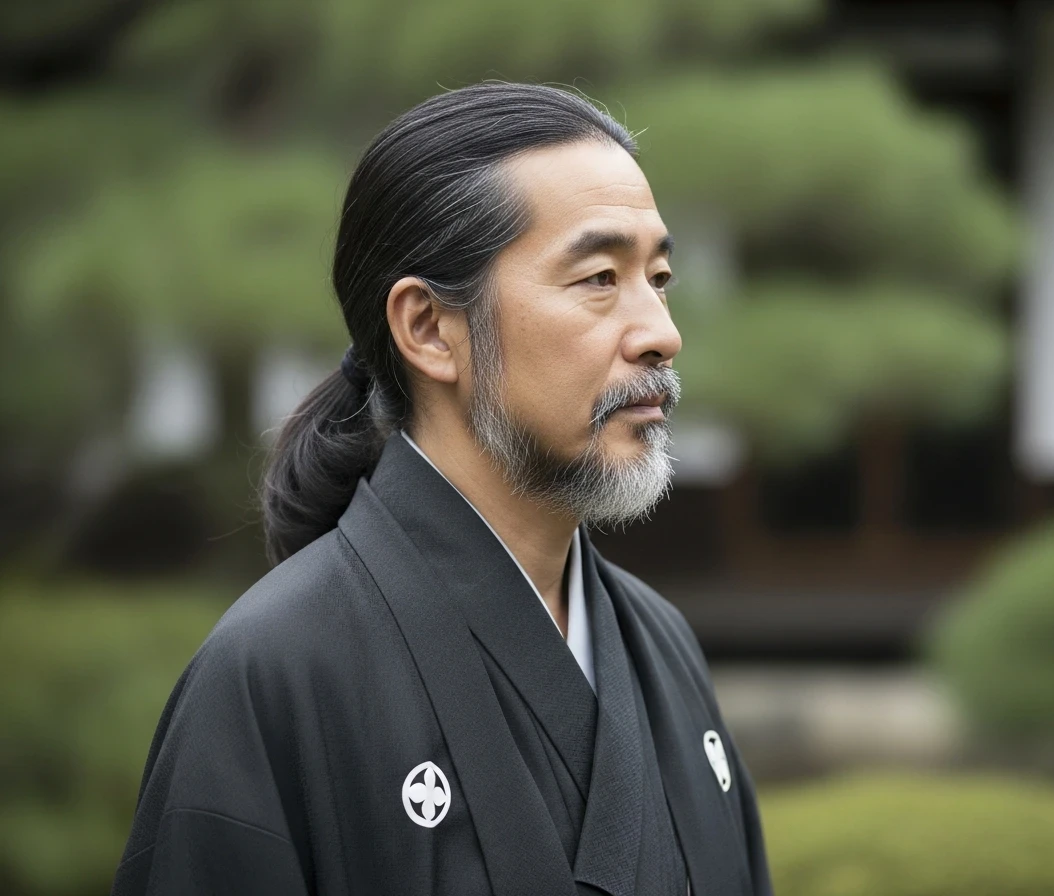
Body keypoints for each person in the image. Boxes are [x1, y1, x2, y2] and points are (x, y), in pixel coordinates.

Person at [110, 82, 774, 895]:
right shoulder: (275, 673)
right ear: (428, 328)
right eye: (600, 277)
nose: (661, 333)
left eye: (659, 277)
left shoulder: (659, 643)